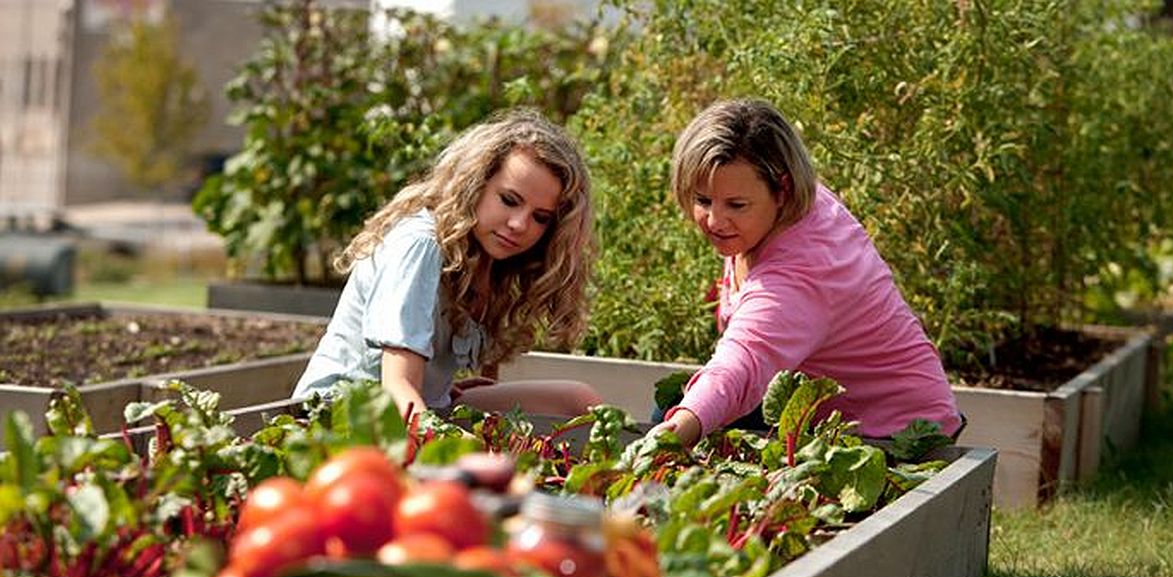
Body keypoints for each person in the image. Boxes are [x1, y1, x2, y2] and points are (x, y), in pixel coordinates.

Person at [648, 99, 962, 447]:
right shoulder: (773, 215)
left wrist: (672, 437)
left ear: (782, 190)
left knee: (680, 415)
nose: (715, 221)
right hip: (826, 414)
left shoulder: (802, 270)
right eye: (703, 200)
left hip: (895, 437)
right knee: (677, 406)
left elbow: (745, 364)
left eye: (736, 205)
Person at [293, 108, 602, 419]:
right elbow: (396, 385)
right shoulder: (422, 244)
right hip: (348, 415)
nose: (520, 224)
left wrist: (442, 387)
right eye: (509, 200)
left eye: (541, 217)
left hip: (420, 407)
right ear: (475, 184)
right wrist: (457, 459)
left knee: (577, 399)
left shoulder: (493, 262)